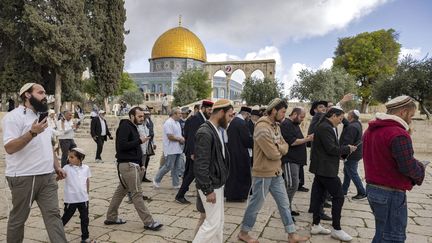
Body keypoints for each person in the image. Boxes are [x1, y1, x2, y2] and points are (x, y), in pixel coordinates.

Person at [2, 83, 67, 243]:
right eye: (40, 92)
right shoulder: (13, 117)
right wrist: (32, 132)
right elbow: (9, 148)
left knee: (53, 215)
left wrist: (56, 166)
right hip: (24, 177)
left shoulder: (43, 117)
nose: (45, 96)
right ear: (27, 95)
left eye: (45, 92)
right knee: (18, 219)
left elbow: (48, 145)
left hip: (47, 177)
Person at [238, 98, 309, 243]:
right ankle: (244, 232)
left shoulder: (275, 126)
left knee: (284, 204)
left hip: (276, 172)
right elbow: (273, 154)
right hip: (263, 174)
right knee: (255, 205)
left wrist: (280, 147)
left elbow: (285, 145)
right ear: (274, 110)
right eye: (282, 111)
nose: (284, 114)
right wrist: (280, 149)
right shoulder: (263, 128)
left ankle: (291, 234)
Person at [363, 96, 426, 243]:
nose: (411, 120)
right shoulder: (398, 133)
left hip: (373, 190)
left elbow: (384, 158)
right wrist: (420, 169)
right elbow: (407, 167)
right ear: (403, 112)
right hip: (390, 194)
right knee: (393, 238)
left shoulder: (370, 131)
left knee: (381, 234)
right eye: (411, 116)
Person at [105, 106, 162, 230]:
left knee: (120, 192)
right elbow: (122, 145)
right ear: (132, 116)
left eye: (143, 116)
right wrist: (140, 141)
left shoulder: (133, 127)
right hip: (128, 165)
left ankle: (111, 217)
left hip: (132, 165)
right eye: (139, 116)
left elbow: (134, 148)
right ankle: (149, 222)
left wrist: (141, 164)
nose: (142, 118)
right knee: (137, 193)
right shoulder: (125, 126)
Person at [309, 106, 357, 242]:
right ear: (333, 116)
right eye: (340, 119)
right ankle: (336, 229)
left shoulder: (326, 126)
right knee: (339, 196)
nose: (341, 122)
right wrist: (347, 149)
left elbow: (328, 149)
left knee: (319, 196)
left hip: (322, 168)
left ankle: (316, 224)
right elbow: (331, 148)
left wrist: (341, 153)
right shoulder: (325, 127)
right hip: (326, 169)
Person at [193, 99, 233, 243]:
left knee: (218, 222)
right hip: (211, 186)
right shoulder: (205, 132)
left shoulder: (215, 129)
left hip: (217, 184)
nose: (230, 118)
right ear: (221, 113)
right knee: (212, 224)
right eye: (229, 115)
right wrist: (208, 189)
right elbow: (200, 165)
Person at [175, 100, 213, 204]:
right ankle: (180, 195)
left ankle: (184, 193)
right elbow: (192, 137)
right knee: (191, 174)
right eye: (209, 110)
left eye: (211, 110)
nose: (211, 112)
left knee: (190, 173)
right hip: (194, 152)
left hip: (195, 152)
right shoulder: (196, 119)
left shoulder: (202, 118)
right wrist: (193, 153)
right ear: (203, 109)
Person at [280, 107, 313, 219]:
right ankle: (285, 211)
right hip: (290, 159)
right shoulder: (286, 124)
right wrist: (307, 139)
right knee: (291, 185)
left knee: (294, 185)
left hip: (295, 160)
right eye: (301, 117)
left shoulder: (293, 124)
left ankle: (287, 208)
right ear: (294, 114)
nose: (302, 119)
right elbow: (292, 142)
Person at [61, 148, 96, 243]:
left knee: (85, 218)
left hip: (83, 199)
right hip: (71, 199)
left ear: (80, 158)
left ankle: (85, 237)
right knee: (66, 217)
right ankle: (56, 233)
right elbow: (59, 177)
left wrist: (87, 193)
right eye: (69, 157)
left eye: (72, 157)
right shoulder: (66, 168)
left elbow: (87, 180)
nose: (69, 159)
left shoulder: (86, 168)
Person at [225, 106, 253, 202]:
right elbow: (247, 140)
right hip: (239, 154)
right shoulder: (241, 123)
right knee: (239, 175)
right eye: (249, 116)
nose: (249, 118)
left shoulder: (235, 121)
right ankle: (237, 196)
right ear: (246, 114)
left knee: (233, 174)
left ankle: (232, 195)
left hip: (234, 152)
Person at [153, 107, 184, 188]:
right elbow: (170, 136)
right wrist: (180, 139)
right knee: (168, 166)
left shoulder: (177, 122)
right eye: (179, 113)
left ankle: (176, 184)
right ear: (174, 114)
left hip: (178, 149)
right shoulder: (168, 123)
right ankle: (156, 179)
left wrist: (182, 138)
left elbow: (178, 135)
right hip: (171, 149)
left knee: (177, 167)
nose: (181, 115)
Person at [340, 110, 366, 200]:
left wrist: (342, 154)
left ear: (351, 116)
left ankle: (362, 192)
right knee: (347, 172)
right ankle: (343, 191)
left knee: (352, 173)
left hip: (352, 154)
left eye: (349, 114)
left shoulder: (352, 127)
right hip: (355, 153)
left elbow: (348, 142)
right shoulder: (357, 124)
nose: (347, 115)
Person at [142, 109, 156, 182]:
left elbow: (152, 133)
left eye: (148, 114)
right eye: (146, 114)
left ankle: (143, 176)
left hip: (149, 143)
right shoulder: (141, 122)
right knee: (142, 161)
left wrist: (154, 143)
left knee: (147, 160)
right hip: (143, 144)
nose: (147, 115)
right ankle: (140, 176)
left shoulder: (150, 122)